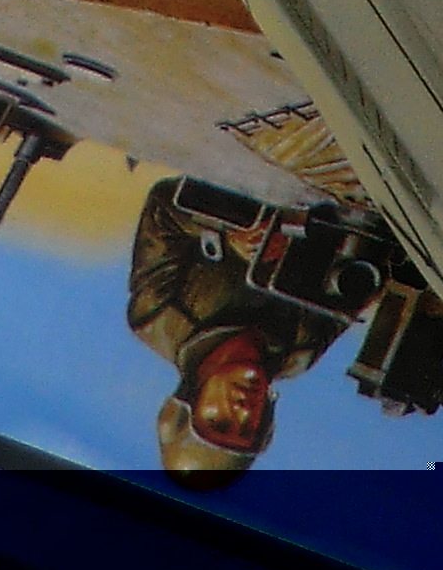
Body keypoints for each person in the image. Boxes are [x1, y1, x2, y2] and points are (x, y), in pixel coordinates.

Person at [124, 176, 346, 483]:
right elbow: (359, 279)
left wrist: (228, 231)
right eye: (247, 428)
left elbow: (164, 207)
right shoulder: (300, 351)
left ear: (188, 402)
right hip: (337, 194)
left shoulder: (157, 316)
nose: (242, 411)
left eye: (219, 422)